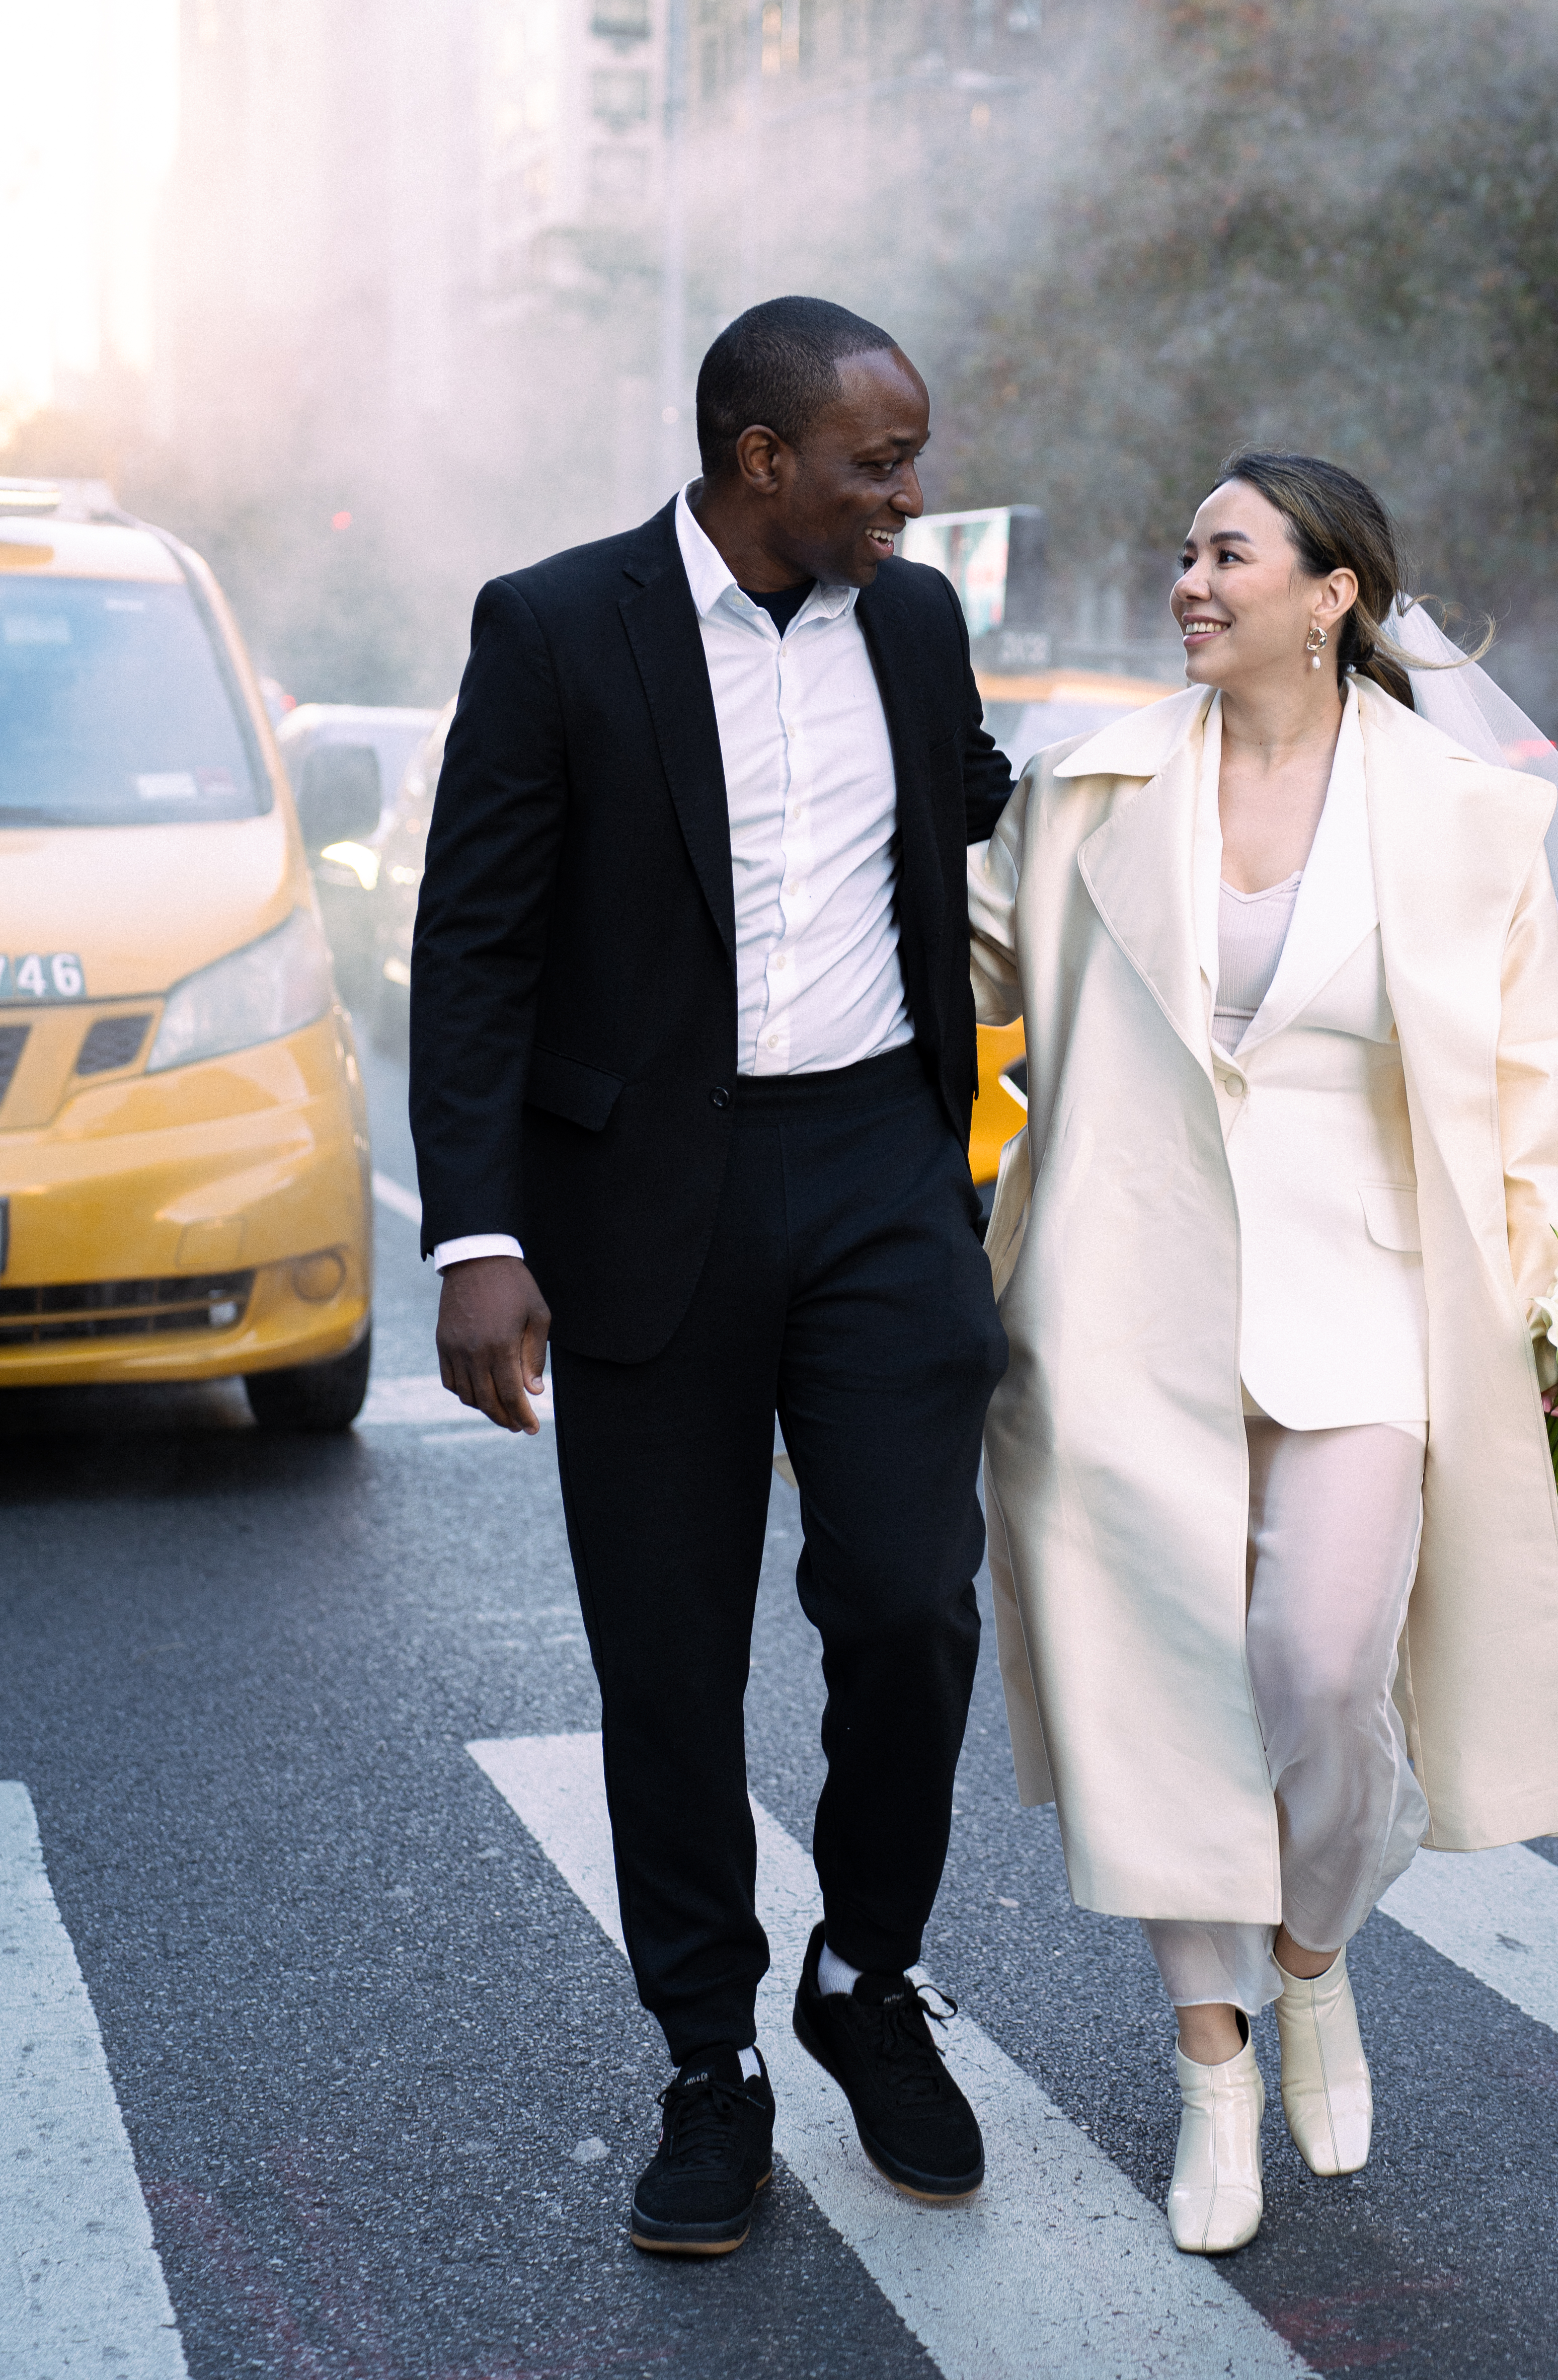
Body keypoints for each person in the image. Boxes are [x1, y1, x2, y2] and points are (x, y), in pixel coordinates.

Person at [968, 449, 1558, 2256]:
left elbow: (1548, 1101)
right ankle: (1213, 2069)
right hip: (1116, 1307)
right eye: (1185, 554)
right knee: (1155, 1700)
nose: (1188, 583)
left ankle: (1311, 1962)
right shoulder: (1088, 793)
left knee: (1317, 1669)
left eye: (1228, 555)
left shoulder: (1463, 817)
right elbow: (948, 972)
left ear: (1331, 592)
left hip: (1368, 1310)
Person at [410, 298, 1014, 2259]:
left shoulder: (912, 625)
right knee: (668, 1659)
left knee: (912, 1603)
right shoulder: (559, 624)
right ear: (764, 459)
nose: (908, 496)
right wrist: (479, 1235)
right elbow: (477, 946)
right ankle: (709, 2062)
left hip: (876, 1175)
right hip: (639, 1197)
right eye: (876, 462)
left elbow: (970, 803)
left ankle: (864, 1978)